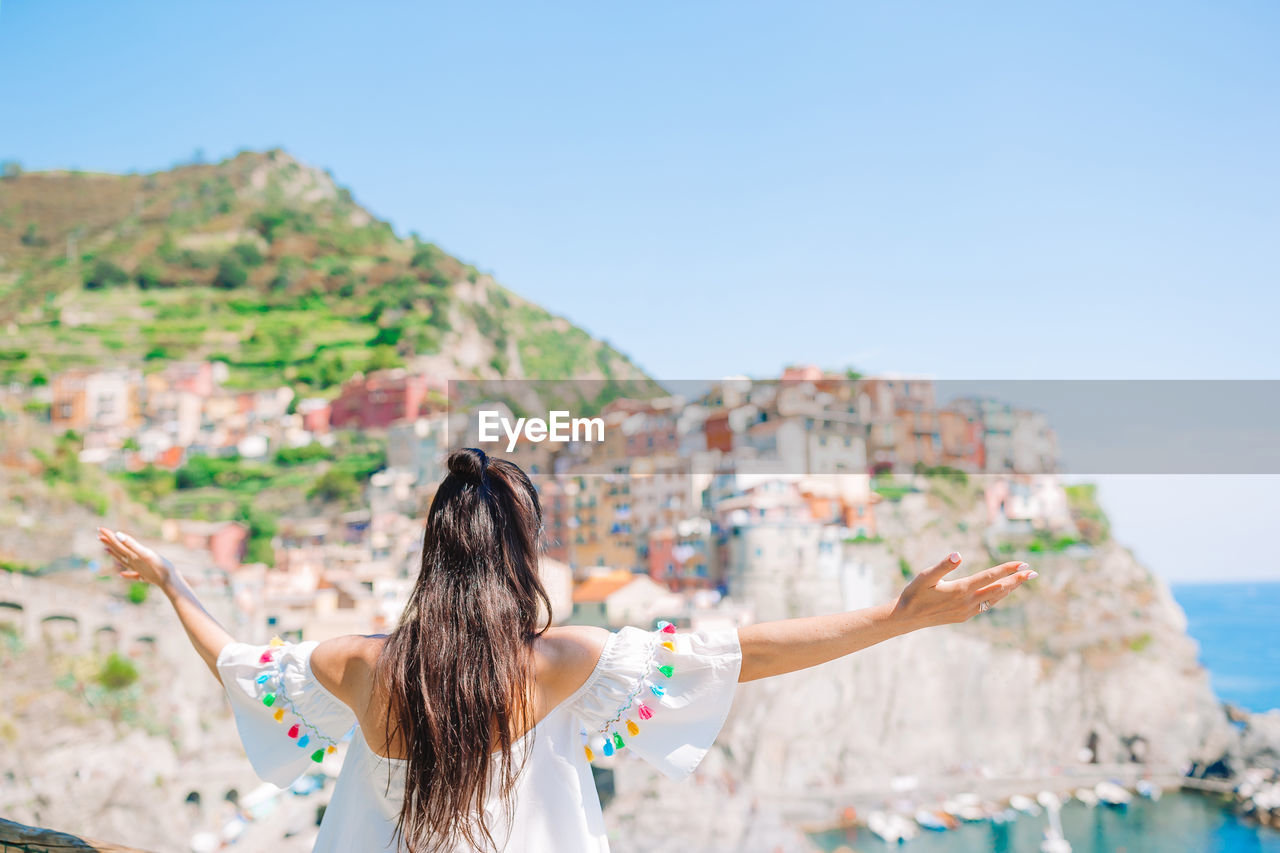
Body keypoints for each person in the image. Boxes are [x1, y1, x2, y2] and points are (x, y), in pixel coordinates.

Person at [97, 447, 1035, 852]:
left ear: (434, 553)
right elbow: (740, 653)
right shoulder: (557, 660)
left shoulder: (355, 662)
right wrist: (896, 617)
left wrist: (177, 584)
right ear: (520, 555)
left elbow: (235, 661)